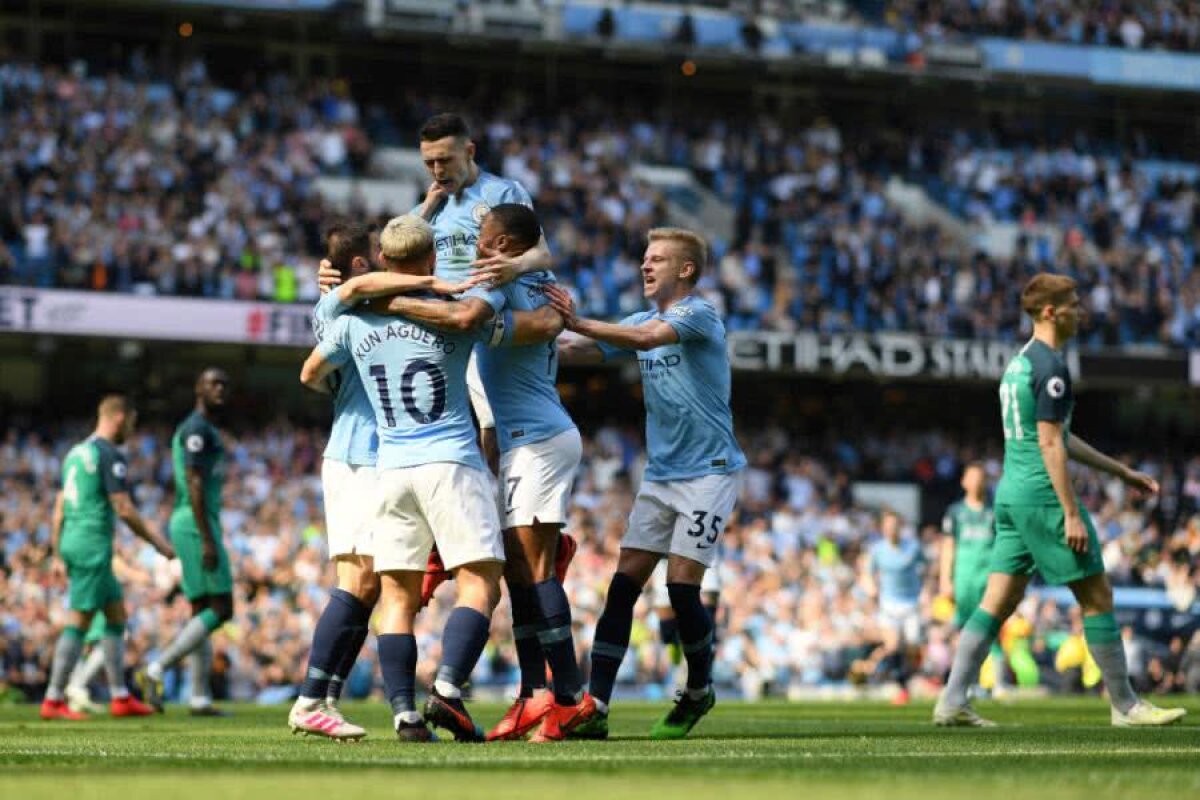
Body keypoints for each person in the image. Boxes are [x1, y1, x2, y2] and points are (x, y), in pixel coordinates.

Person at [370, 204, 592, 742]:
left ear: (507, 247)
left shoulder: (499, 284)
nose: (476, 245)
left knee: (534, 571)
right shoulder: (534, 277)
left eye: (487, 238)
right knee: (519, 573)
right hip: (524, 438)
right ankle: (537, 695)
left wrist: (382, 300)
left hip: (538, 438)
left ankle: (569, 699)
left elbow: (468, 320)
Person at [933, 273, 1186, 728]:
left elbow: (1056, 435)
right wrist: (1070, 511)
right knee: (1096, 595)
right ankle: (1126, 705)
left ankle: (951, 701)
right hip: (1043, 496)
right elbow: (1051, 445)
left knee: (995, 603)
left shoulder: (1019, 364)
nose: (1081, 310)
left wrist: (1120, 471)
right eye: (1072, 303)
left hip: (1011, 495)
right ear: (1050, 312)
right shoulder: (1051, 366)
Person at [300, 215, 506, 743]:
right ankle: (447, 689)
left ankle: (405, 716)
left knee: (394, 594)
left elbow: (311, 370)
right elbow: (474, 319)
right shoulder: (451, 314)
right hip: (448, 459)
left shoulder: (348, 321)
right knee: (479, 581)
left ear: (384, 263)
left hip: (390, 466)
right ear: (432, 262)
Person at [546, 227, 746, 740]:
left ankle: (699, 688)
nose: (644, 266)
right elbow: (583, 351)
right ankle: (597, 705)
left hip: (710, 472)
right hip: (661, 476)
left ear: (686, 270)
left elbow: (642, 340)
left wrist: (580, 319)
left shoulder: (698, 315)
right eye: (643, 258)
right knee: (623, 586)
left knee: (681, 588)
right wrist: (528, 335)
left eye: (656, 258)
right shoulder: (639, 320)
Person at [41, 395, 174, 720]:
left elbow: (59, 508)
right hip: (91, 543)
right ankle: (54, 699)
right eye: (131, 422)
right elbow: (123, 507)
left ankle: (120, 697)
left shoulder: (75, 453)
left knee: (116, 615)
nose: (132, 429)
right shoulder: (107, 453)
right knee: (80, 620)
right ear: (119, 417)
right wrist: (158, 542)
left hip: (75, 539)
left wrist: (58, 552)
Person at [137, 368, 234, 717]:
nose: (220, 389)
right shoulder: (196, 429)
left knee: (201, 612)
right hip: (196, 525)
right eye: (213, 383)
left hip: (194, 522)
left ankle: (199, 697)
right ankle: (156, 668)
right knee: (223, 609)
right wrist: (207, 537)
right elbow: (193, 483)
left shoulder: (204, 428)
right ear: (198, 388)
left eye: (224, 384)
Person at [939, 462, 1006, 692]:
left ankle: (997, 683)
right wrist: (945, 580)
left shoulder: (994, 512)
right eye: (973, 477)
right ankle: (963, 683)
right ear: (964, 481)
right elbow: (948, 547)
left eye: (981, 477)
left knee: (991, 628)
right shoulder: (955, 513)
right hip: (963, 581)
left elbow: (1002, 547)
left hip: (987, 580)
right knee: (964, 631)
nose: (977, 481)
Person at [861, 510, 924, 705]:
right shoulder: (878, 550)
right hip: (889, 604)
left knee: (913, 645)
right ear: (883, 528)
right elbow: (867, 573)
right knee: (893, 646)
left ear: (900, 527)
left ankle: (908, 677)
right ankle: (902, 688)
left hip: (911, 603)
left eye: (895, 525)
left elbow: (927, 568)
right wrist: (870, 588)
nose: (891, 529)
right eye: (887, 526)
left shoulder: (913, 548)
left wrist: (927, 590)